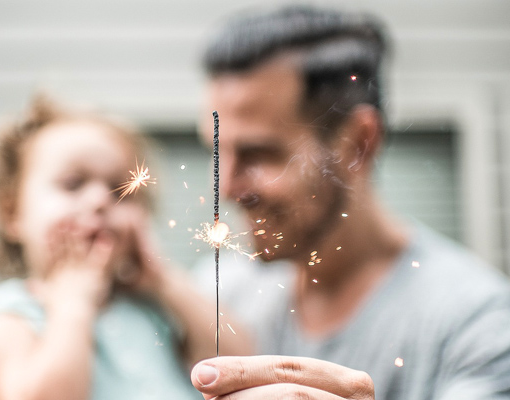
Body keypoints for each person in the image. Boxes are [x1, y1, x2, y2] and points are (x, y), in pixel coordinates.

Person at [190, 4, 510, 399]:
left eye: (259, 154)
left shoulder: (477, 325)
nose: (225, 186)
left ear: (358, 144)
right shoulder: (222, 292)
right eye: (218, 152)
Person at [0, 95, 251, 400]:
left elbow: (241, 364)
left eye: (122, 191)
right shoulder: (10, 317)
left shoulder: (151, 309)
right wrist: (74, 301)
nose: (100, 200)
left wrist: (164, 280)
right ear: (12, 213)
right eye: (73, 183)